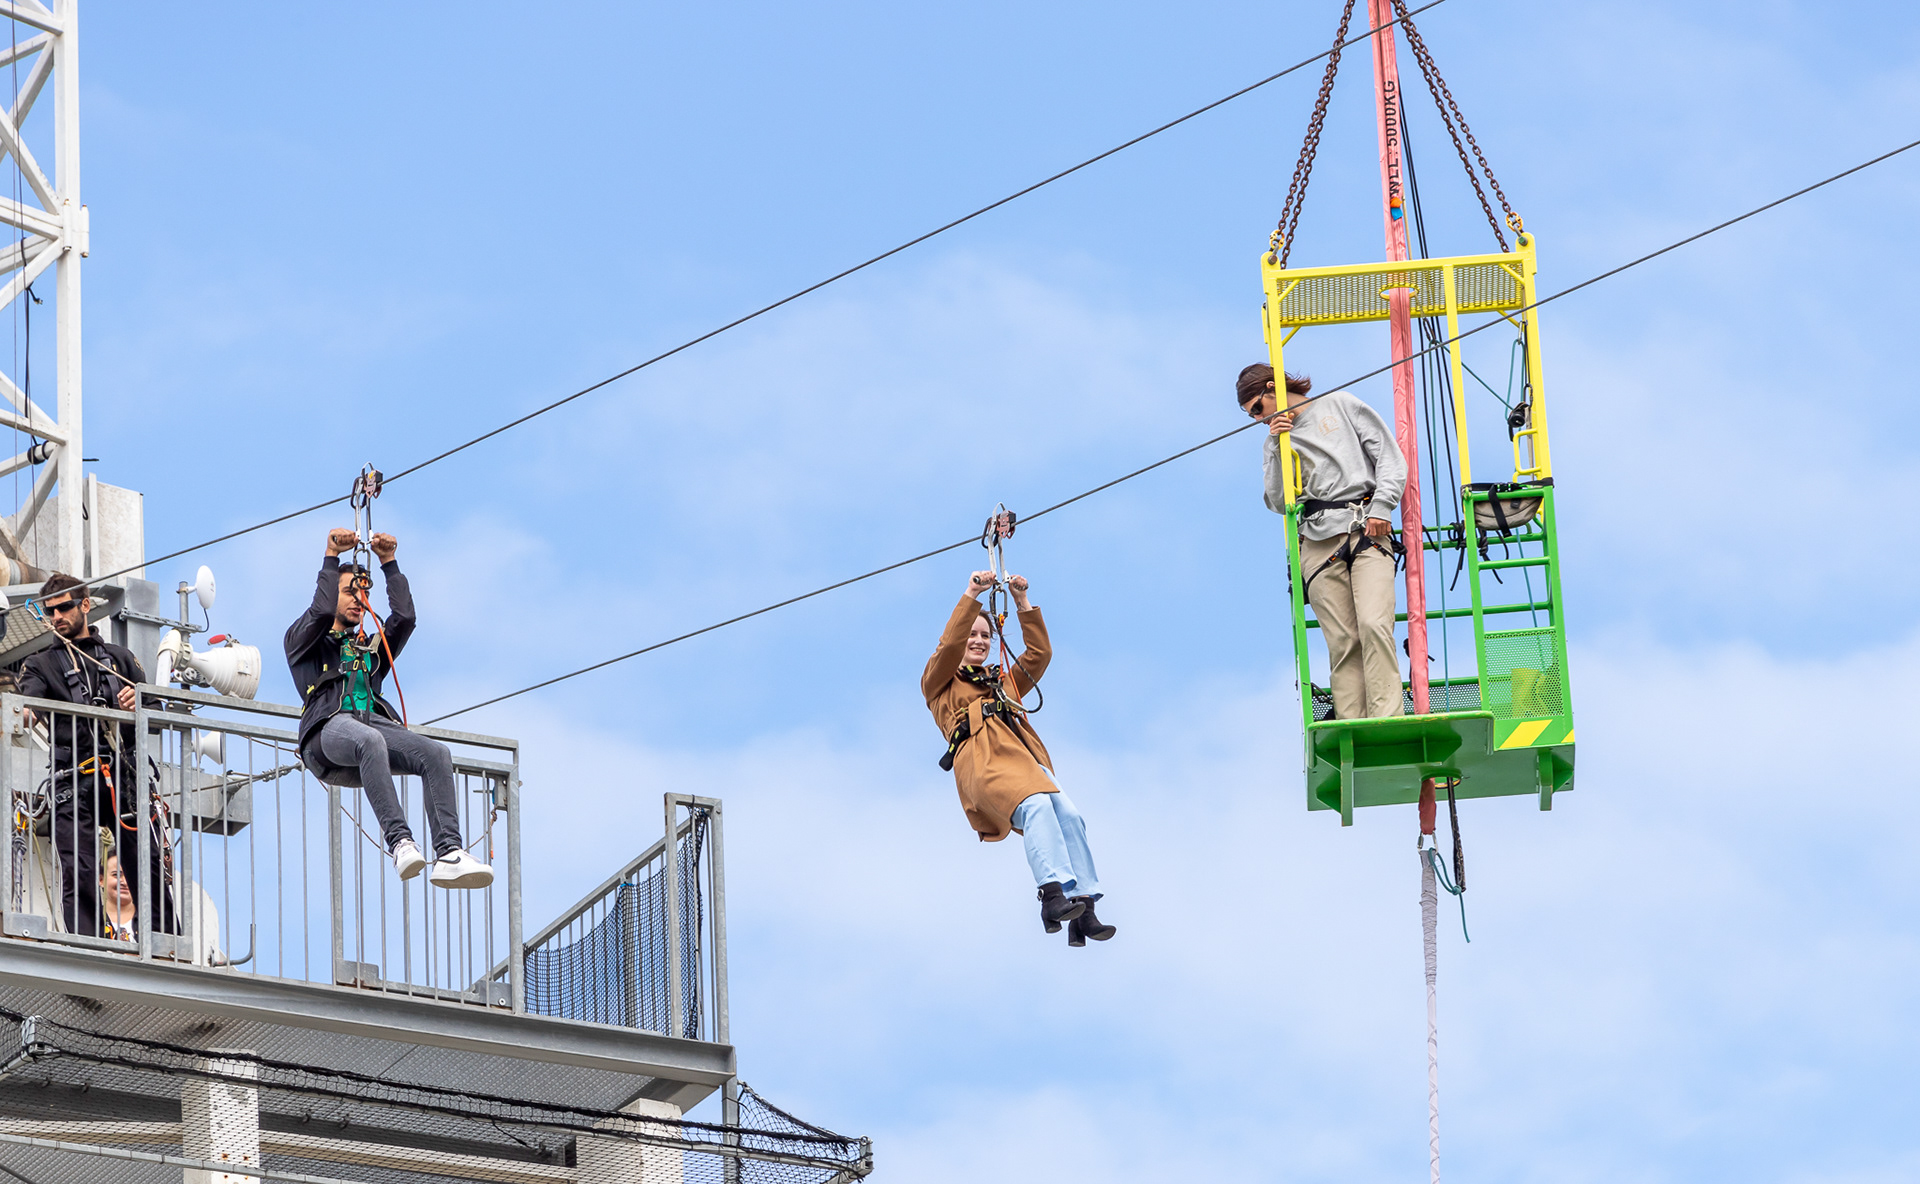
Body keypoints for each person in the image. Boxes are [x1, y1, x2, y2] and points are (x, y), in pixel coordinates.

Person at [285, 528, 492, 889]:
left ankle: (449, 853)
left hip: (371, 729)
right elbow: (320, 611)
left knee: (436, 753)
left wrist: (388, 563)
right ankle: (400, 841)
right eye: (350, 592)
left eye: (363, 594)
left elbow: (405, 619)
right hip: (327, 734)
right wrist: (331, 555)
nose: (359, 600)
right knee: (370, 741)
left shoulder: (368, 648)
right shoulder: (303, 640)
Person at [921, 570, 1116, 946]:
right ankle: (1052, 894)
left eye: (985, 636)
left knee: (1070, 817)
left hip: (1025, 760)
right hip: (984, 760)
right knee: (1037, 807)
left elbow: (1039, 655)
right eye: (972, 635)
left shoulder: (1002, 683)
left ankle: (1085, 905)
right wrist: (973, 593)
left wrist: (1023, 602)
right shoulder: (939, 681)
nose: (978, 641)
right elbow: (948, 648)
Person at [1238, 363, 1409, 720]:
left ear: (1273, 389)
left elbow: (1390, 459)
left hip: (1366, 527)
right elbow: (1278, 501)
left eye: (1257, 408)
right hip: (1317, 540)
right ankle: (1352, 724)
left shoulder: (1341, 404)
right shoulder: (1276, 440)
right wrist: (1274, 445)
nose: (1257, 418)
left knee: (1375, 625)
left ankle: (1386, 719)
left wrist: (1382, 506)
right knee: (1343, 641)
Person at [15, 573, 177, 937]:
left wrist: (139, 702)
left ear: (85, 606)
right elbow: (27, 711)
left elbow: (156, 710)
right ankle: (86, 943)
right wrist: (18, 714)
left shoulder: (119, 659)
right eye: (50, 611)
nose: (57, 617)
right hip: (72, 778)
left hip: (123, 773)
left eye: (64, 608)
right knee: (81, 869)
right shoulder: (40, 665)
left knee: (145, 864)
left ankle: (164, 943)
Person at [100, 850, 138, 942]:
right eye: (116, 875)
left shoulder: (151, 921)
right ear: (101, 880)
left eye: (130, 875)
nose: (125, 882)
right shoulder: (91, 920)